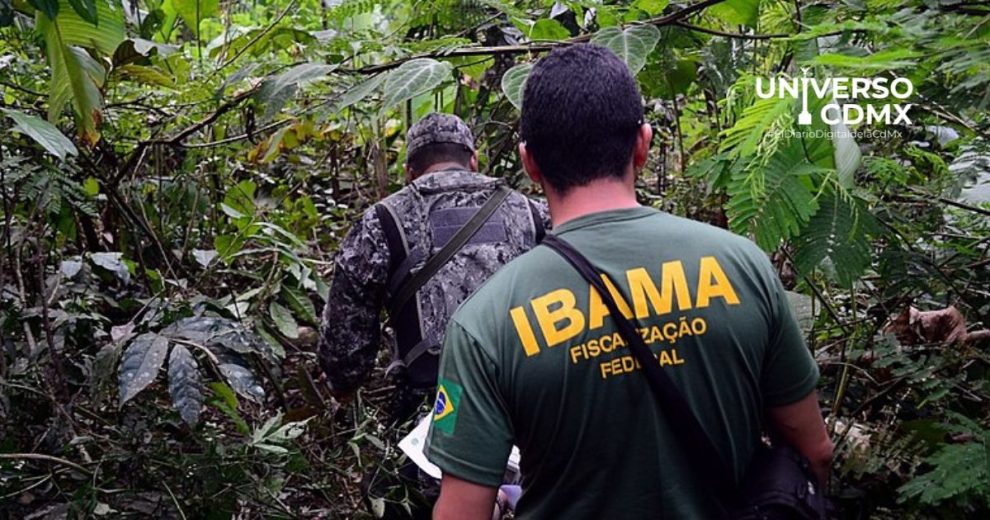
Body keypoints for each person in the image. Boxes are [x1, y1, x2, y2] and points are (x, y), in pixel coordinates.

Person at [425, 45, 834, 519]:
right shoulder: (743, 265)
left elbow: (462, 511)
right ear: (643, 143)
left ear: (529, 163)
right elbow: (815, 452)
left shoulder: (484, 322)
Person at [318, 111, 549, 421]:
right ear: (474, 160)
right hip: (530, 399)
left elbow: (345, 336)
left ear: (409, 172)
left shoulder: (382, 220)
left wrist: (344, 383)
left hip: (439, 408)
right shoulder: (531, 211)